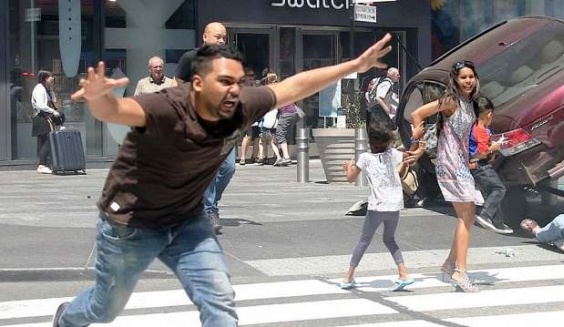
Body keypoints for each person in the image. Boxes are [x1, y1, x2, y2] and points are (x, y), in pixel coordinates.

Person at [51, 35, 394, 327]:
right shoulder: (167, 107)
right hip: (131, 222)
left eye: (240, 82)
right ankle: (66, 318)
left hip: (186, 220)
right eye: (225, 82)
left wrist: (355, 66)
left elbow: (294, 86)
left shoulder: (243, 103)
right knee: (105, 307)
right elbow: (117, 111)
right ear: (198, 84)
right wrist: (99, 98)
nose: (235, 91)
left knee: (220, 305)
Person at [409, 60, 483, 293]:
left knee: (467, 217)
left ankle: (450, 265)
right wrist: (418, 142)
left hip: (460, 162)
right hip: (450, 163)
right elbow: (417, 113)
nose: (468, 81)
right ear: (455, 80)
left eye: (471, 76)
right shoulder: (451, 101)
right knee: (466, 215)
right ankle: (460, 272)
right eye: (463, 77)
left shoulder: (470, 103)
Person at [340, 115, 417, 292]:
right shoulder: (393, 154)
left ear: (370, 141)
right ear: (388, 141)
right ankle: (403, 273)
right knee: (389, 239)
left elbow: (351, 178)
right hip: (395, 205)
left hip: (377, 206)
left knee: (364, 240)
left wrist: (347, 168)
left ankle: (348, 277)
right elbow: (409, 155)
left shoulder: (366, 158)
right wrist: (414, 138)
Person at [175, 22, 231, 234]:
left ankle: (207, 203)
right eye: (218, 37)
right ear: (205, 37)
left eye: (224, 37)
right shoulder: (190, 58)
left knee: (228, 168)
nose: (221, 41)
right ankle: (209, 210)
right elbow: (178, 83)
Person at [469, 96, 513, 234]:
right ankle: (485, 214)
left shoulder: (475, 127)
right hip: (481, 166)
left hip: (478, 166)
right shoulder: (480, 130)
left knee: (492, 192)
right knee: (499, 189)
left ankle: (498, 222)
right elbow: (482, 152)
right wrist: (494, 146)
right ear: (488, 113)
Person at [31, 70, 61, 174]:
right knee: (47, 140)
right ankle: (42, 165)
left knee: (44, 141)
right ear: (45, 78)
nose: (52, 78)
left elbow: (54, 102)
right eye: (50, 77)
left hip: (44, 118)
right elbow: (41, 105)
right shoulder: (40, 89)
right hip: (42, 118)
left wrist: (51, 91)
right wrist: (53, 111)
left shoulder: (46, 89)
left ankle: (44, 164)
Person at [238, 67, 260, 165]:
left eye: (253, 76)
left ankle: (254, 157)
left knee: (256, 136)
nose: (252, 78)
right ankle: (242, 157)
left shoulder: (254, 87)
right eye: (249, 76)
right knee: (248, 135)